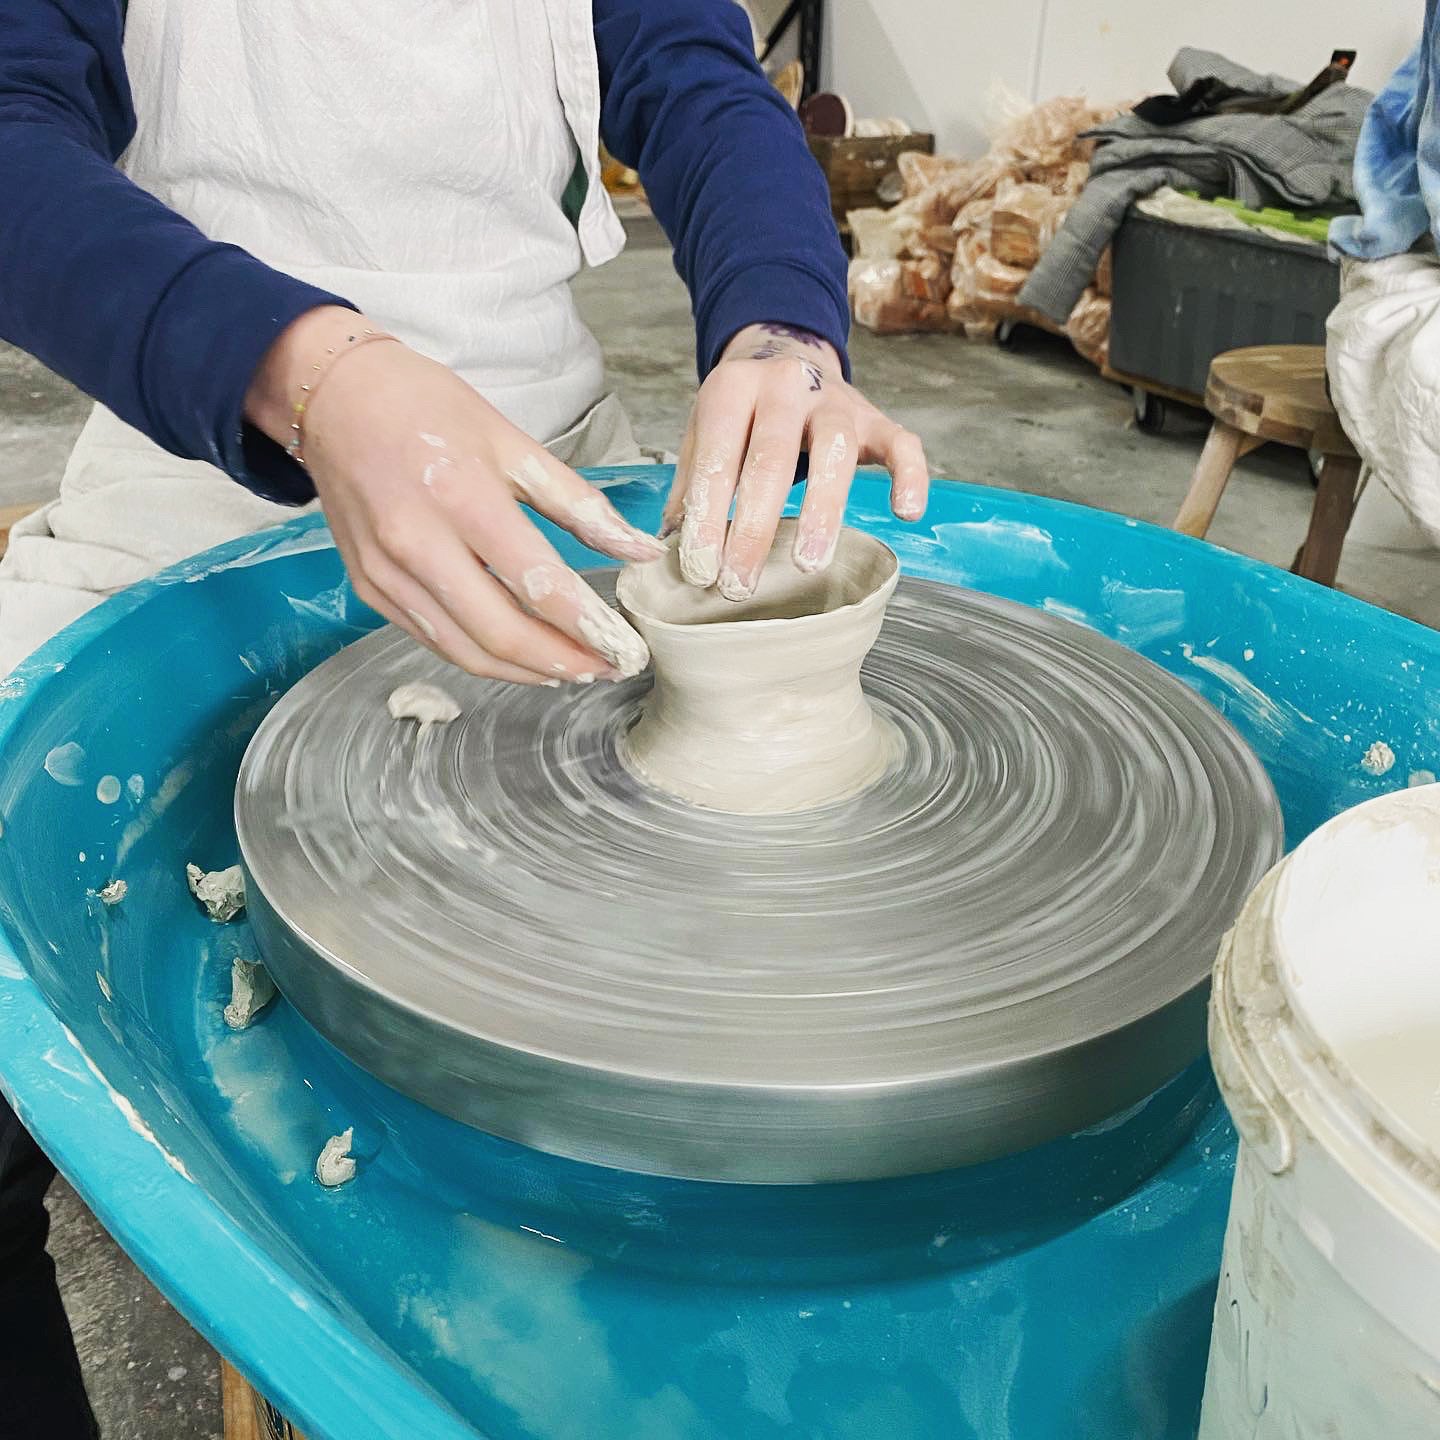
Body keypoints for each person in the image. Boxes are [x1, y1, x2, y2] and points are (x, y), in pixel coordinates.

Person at [0, 0, 931, 1431]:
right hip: (199, 475)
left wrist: (782, 319)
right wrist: (304, 370)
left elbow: (696, 81)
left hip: (546, 467)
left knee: (769, 1003)